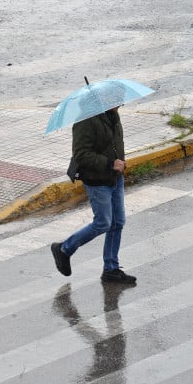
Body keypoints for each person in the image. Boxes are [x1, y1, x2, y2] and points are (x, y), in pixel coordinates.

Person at [50, 105, 137, 285]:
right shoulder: (86, 119)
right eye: (117, 100)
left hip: (115, 177)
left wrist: (119, 164)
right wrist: (110, 163)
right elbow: (81, 154)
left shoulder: (113, 115)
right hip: (97, 180)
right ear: (104, 100)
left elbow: (114, 145)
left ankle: (111, 269)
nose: (120, 103)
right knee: (103, 223)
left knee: (117, 223)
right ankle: (64, 249)